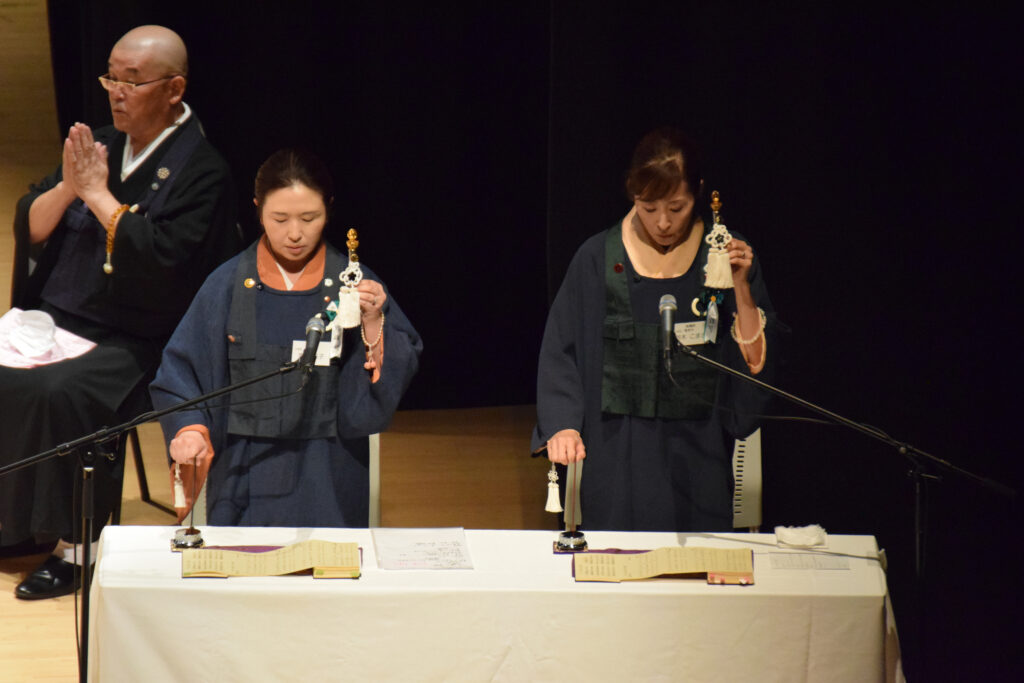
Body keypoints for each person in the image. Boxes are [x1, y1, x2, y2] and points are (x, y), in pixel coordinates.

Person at [0, 25, 240, 599]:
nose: (117, 92)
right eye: (111, 77)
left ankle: (76, 548)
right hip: (58, 319)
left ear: (174, 88)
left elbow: (166, 264)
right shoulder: (100, 143)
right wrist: (73, 187)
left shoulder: (202, 172)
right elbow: (31, 224)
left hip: (136, 336)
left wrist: (102, 198)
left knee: (58, 393)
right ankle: (12, 524)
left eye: (133, 81)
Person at [149, 148, 421, 528]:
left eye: (309, 218)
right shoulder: (227, 283)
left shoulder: (353, 284)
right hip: (243, 469)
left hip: (329, 467)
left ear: (328, 209)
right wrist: (189, 428)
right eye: (280, 218)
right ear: (257, 208)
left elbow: (389, 373)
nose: (295, 233)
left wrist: (373, 322)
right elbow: (181, 371)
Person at [532, 127, 780, 532]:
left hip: (697, 460)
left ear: (697, 193)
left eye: (677, 207)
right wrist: (562, 423)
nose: (663, 222)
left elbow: (753, 373)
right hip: (615, 459)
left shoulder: (723, 258)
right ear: (632, 194)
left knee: (696, 577)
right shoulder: (597, 257)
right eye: (649, 208)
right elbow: (561, 348)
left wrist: (742, 288)